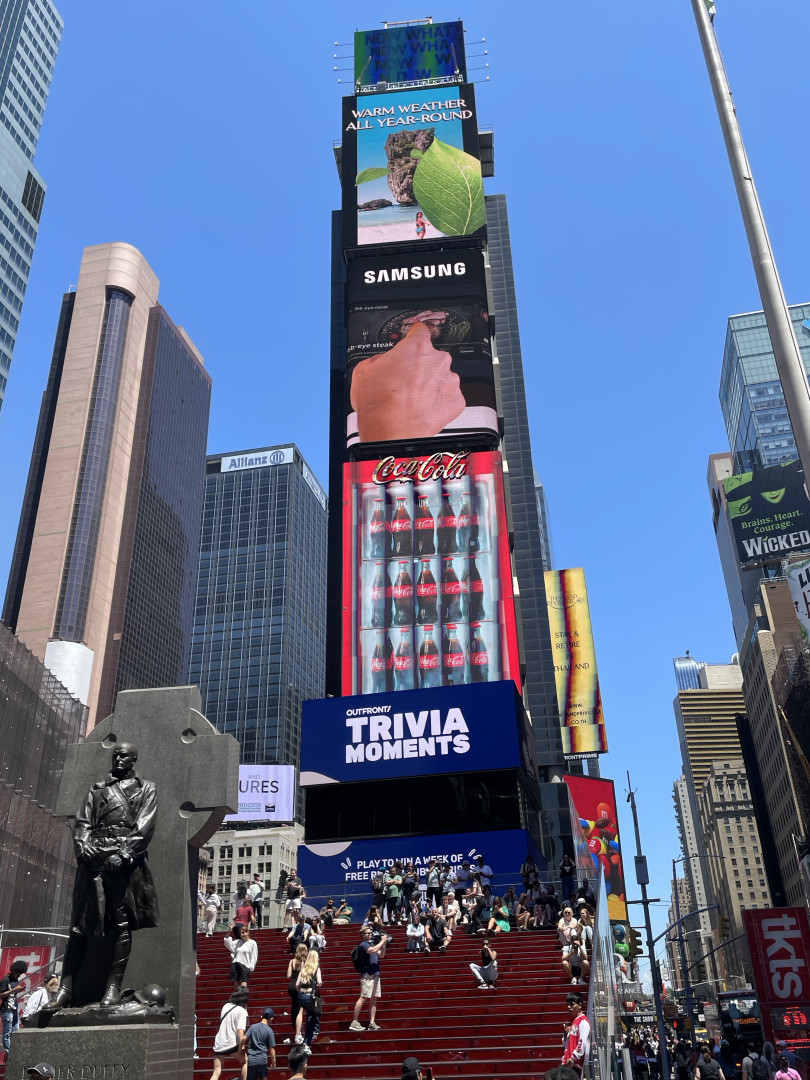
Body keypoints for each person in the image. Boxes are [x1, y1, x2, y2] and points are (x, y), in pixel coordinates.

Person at [46, 742, 158, 1010]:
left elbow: (146, 823)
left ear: (134, 759)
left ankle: (113, 987)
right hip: (93, 861)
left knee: (121, 925)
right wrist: (82, 847)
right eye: (115, 754)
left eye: (124, 755)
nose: (118, 758)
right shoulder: (97, 790)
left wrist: (125, 853)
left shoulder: (146, 788)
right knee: (79, 927)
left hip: (121, 864)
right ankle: (65, 989)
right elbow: (82, 822)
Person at [349, 924, 387, 1032]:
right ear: (363, 935)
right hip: (367, 975)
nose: (371, 935)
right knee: (363, 997)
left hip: (375, 973)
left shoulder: (371, 944)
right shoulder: (363, 945)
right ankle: (354, 1021)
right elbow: (373, 950)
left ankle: (372, 1022)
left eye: (371, 933)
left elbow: (381, 955)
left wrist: (384, 944)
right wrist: (381, 941)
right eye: (368, 933)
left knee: (374, 999)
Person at [209, 985, 249, 1080]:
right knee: (245, 1061)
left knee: (216, 1071)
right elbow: (240, 1030)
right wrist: (242, 1046)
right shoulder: (241, 1011)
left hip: (220, 1042)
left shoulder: (225, 1006)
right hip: (232, 1043)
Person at [295, 948, 322, 1053]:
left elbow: (297, 984)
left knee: (309, 1016)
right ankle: (306, 1043)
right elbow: (320, 982)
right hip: (310, 995)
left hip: (301, 995)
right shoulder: (316, 969)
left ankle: (311, 1033)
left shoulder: (303, 970)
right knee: (310, 1019)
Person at [1, 960, 28, 1053]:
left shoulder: (15, 980)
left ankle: (16, 1051)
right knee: (7, 1033)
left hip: (13, 1009)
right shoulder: (5, 980)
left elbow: (13, 994)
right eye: (19, 974)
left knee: (16, 1030)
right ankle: (10, 1053)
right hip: (6, 1010)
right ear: (14, 972)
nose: (19, 976)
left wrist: (18, 991)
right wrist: (13, 990)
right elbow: (1, 995)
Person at [562, 991, 591, 1074]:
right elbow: (567, 1045)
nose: (569, 1007)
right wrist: (565, 1034)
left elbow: (582, 1043)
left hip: (575, 1065)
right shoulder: (574, 1021)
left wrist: (572, 1059)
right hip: (568, 1063)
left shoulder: (583, 1022)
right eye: (568, 1004)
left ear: (580, 1005)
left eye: (572, 1004)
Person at [244, 1007, 277, 1080]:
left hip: (251, 1060)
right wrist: (274, 1063)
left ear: (261, 1017)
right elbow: (272, 1049)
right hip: (262, 1060)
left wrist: (241, 1049)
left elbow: (244, 1038)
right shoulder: (269, 1030)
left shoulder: (253, 1027)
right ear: (271, 1019)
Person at [286, 943, 308, 1038]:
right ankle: (298, 1033)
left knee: (294, 1006)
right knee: (300, 1009)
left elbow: (288, 975)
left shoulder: (292, 961)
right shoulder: (306, 962)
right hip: (300, 986)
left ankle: (295, 1026)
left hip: (291, 987)